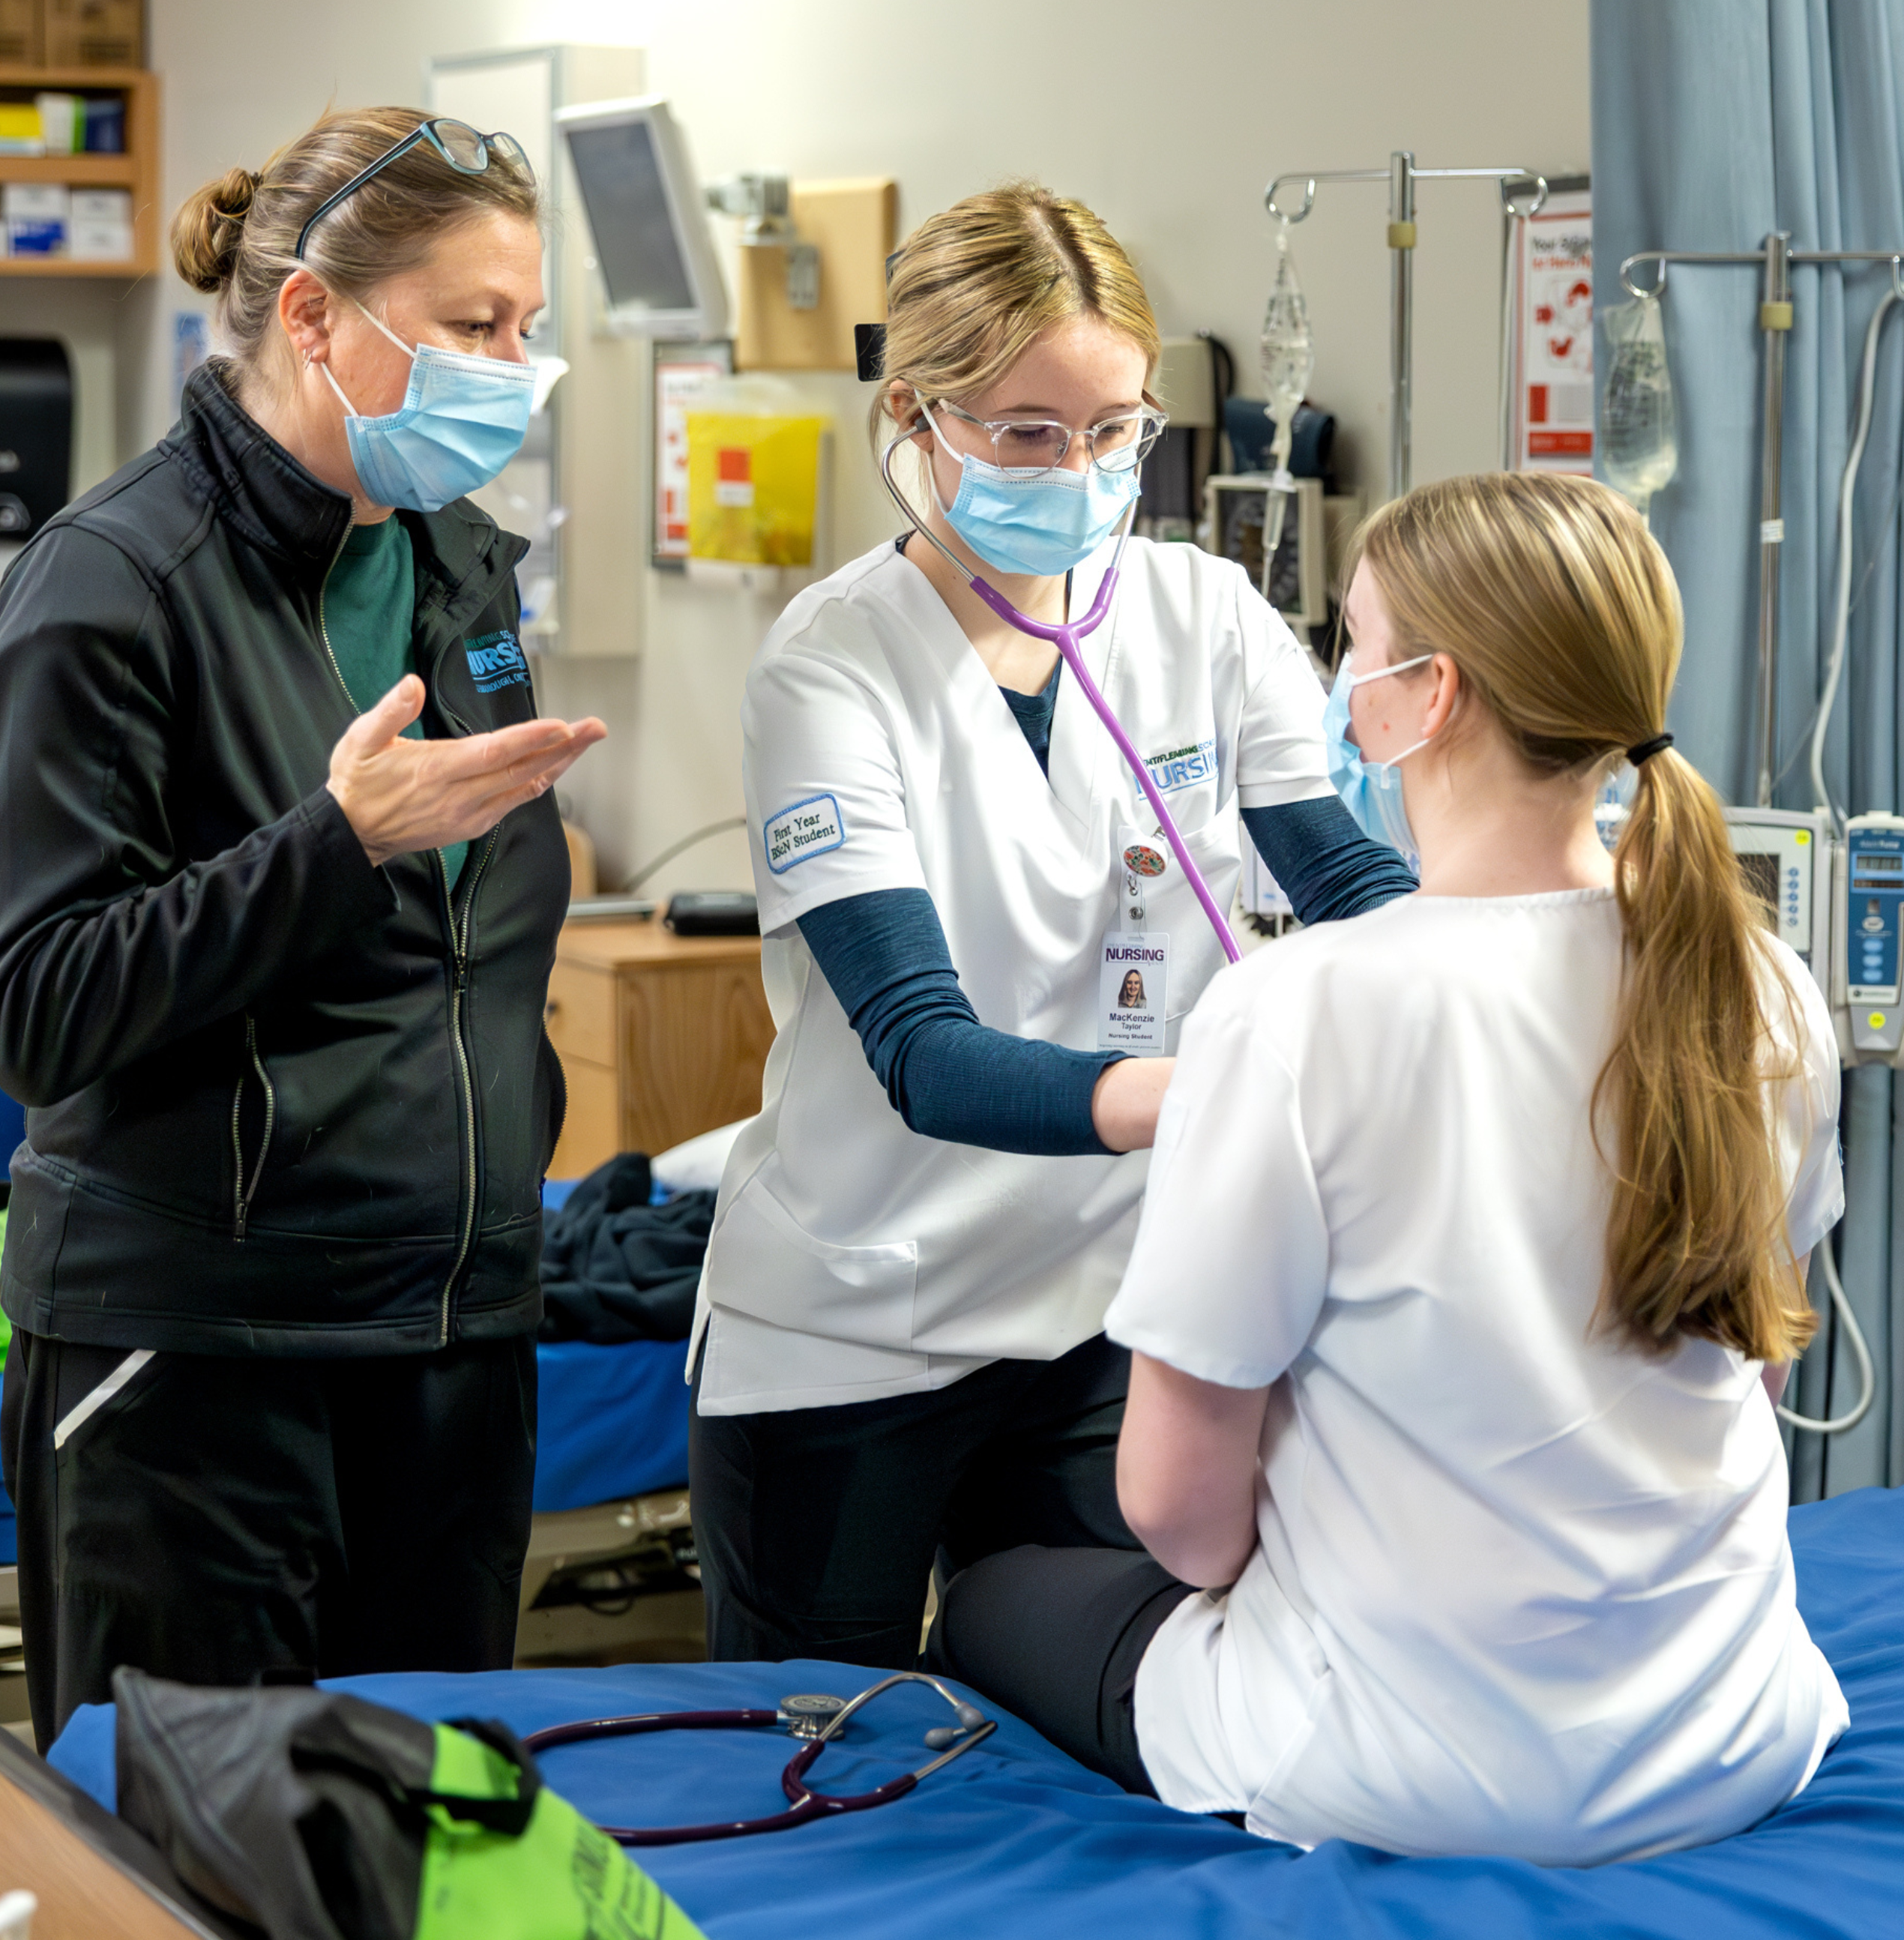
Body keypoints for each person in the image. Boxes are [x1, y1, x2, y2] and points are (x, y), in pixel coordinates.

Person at [927, 473, 1849, 1864]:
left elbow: (1180, 1519)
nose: (1338, 680)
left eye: (1351, 642)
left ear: (1436, 694)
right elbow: (1754, 1369)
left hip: (1400, 1770)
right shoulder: (1758, 984)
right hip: (1727, 1737)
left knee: (991, 1593)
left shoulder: (1297, 1011)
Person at [688, 184, 1417, 1667]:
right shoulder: (829, 668)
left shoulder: (1203, 616)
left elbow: (1347, 880)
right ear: (917, 414)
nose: (1077, 471)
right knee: (824, 1774)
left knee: (1091, 1757)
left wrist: (1506, 973)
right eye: (1026, 431)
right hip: (860, 1321)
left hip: (1108, 1316)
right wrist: (1228, 1095)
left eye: (1112, 430)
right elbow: (925, 1058)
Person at [0, 107, 605, 1750]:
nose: (512, 367)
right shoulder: (111, 585)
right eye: (473, 327)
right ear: (314, 315)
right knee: (187, 1873)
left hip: (451, 1337)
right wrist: (333, 845)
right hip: (197, 1355)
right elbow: (38, 1004)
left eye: (525, 327)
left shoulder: (463, 568)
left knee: (422, 1859)